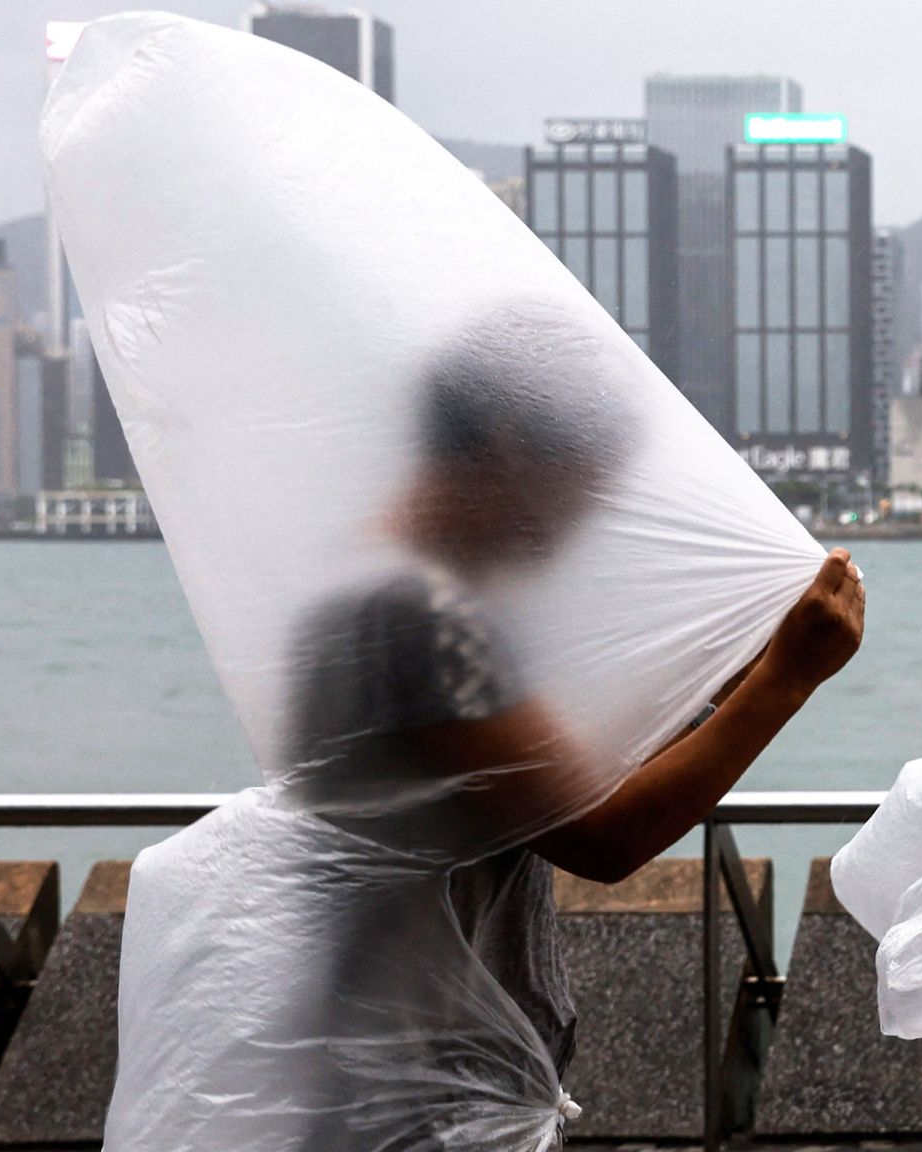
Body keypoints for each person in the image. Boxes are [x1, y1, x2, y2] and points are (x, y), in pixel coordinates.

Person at [267, 326, 867, 1148]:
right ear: (514, 448)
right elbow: (602, 836)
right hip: (421, 1089)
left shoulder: (378, 589)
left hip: (389, 1060)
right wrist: (784, 681)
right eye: (591, 481)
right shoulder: (417, 618)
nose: (588, 513)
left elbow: (561, 790)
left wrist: (724, 691)